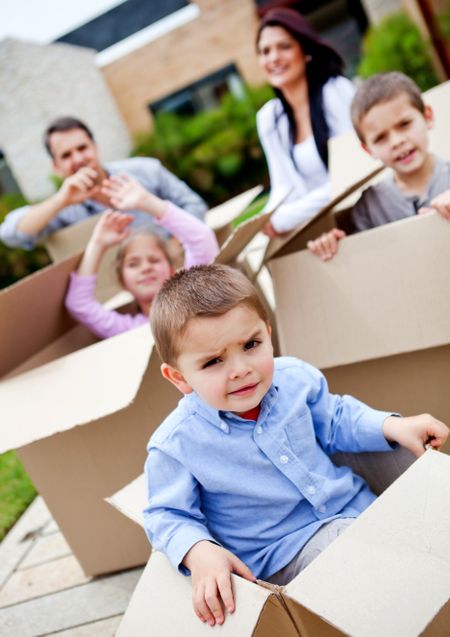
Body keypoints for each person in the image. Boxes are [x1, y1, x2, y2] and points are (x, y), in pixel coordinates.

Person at [144, 263, 448, 627]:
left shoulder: (294, 379)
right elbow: (167, 514)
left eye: (251, 345)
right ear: (179, 377)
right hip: (287, 554)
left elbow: (336, 419)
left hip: (356, 506)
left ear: (268, 334)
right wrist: (199, 552)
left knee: (424, 522)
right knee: (368, 560)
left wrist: (391, 425)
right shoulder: (177, 444)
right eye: (213, 362)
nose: (241, 369)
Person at [0, 117, 207, 250]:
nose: (78, 158)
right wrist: (61, 201)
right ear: (56, 166)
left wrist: (173, 245)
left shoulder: (146, 170)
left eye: (82, 148)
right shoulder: (62, 210)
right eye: (66, 155)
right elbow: (10, 235)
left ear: (95, 147)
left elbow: (194, 205)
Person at [308, 72, 450, 260]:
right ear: (368, 150)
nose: (397, 141)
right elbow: (359, 258)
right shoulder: (368, 206)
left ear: (428, 117)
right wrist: (333, 245)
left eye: (404, 124)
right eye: (381, 138)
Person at [64, 175, 218, 339]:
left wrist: (148, 202)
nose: (146, 268)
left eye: (154, 260)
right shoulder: (129, 329)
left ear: (172, 270)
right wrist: (97, 244)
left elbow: (202, 238)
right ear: (123, 282)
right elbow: (79, 304)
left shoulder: (193, 297)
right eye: (133, 264)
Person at [255, 6, 355, 237]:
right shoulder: (269, 118)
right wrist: (266, 219)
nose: (273, 58)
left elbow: (354, 174)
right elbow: (283, 187)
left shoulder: (336, 91)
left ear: (305, 50)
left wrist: (286, 217)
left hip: (360, 213)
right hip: (319, 230)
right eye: (265, 51)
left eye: (284, 46)